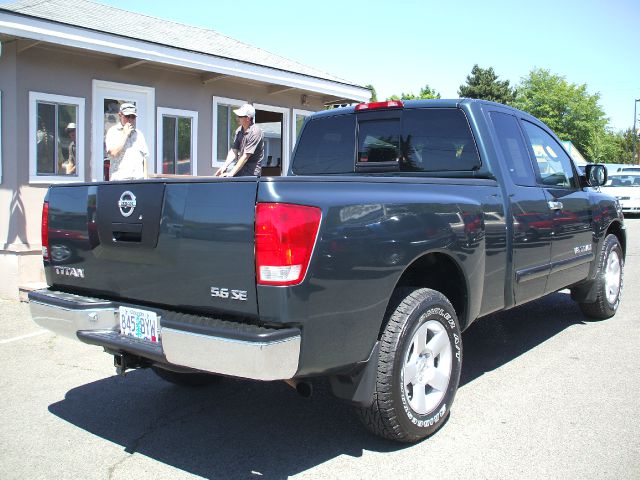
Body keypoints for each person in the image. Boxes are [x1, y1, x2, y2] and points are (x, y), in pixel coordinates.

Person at [215, 103, 264, 177]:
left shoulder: (256, 132)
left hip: (251, 175)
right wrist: (224, 166)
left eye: (240, 116)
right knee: (220, 176)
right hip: (240, 169)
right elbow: (234, 151)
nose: (237, 118)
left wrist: (231, 173)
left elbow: (245, 156)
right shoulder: (239, 131)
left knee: (228, 179)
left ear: (248, 118)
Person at [105, 103, 149, 180]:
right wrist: (125, 134)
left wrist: (145, 180)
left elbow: (144, 160)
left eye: (133, 117)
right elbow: (113, 153)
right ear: (120, 115)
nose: (130, 120)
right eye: (127, 116)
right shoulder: (113, 132)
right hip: (120, 180)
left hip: (138, 180)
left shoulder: (139, 134)